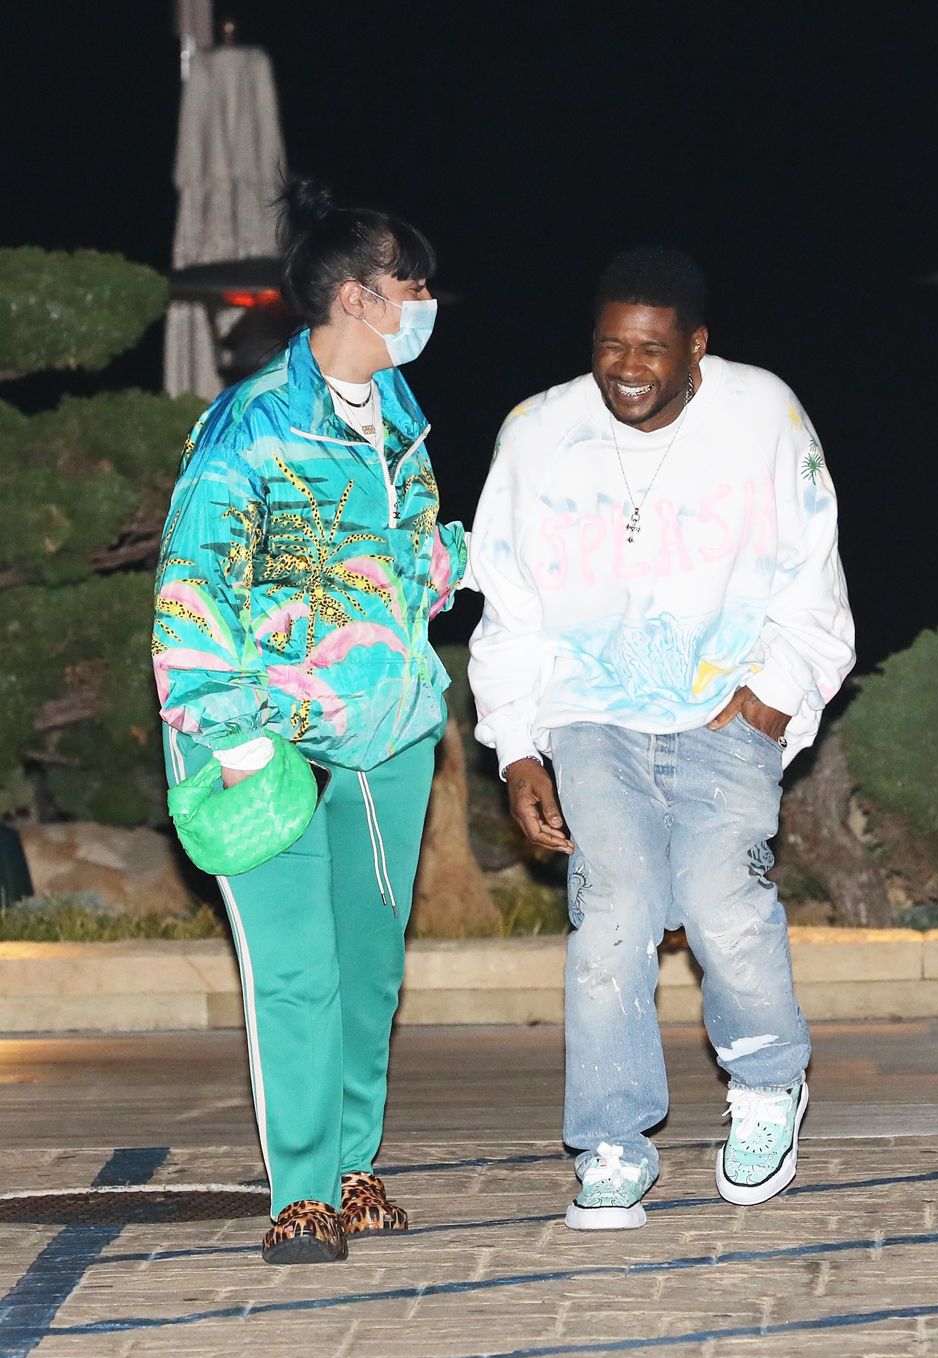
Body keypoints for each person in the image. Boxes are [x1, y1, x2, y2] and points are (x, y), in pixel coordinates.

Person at [468, 246, 854, 1230]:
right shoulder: (538, 433)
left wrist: (776, 692)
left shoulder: (761, 412)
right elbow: (507, 601)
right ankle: (611, 1140)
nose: (626, 368)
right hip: (591, 716)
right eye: (609, 345)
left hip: (728, 707)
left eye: (649, 348)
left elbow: (811, 567)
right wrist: (516, 746)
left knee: (725, 904)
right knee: (611, 917)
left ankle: (767, 1084)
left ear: (696, 349)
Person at [153, 180, 467, 1263]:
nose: (426, 302)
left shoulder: (401, 425)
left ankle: (353, 1163)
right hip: (260, 733)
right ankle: (298, 1191)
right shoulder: (249, 429)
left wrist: (485, 561)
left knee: (369, 961)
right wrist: (232, 739)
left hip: (384, 724)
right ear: (354, 297)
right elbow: (190, 598)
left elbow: (410, 563)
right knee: (296, 964)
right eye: (410, 285)